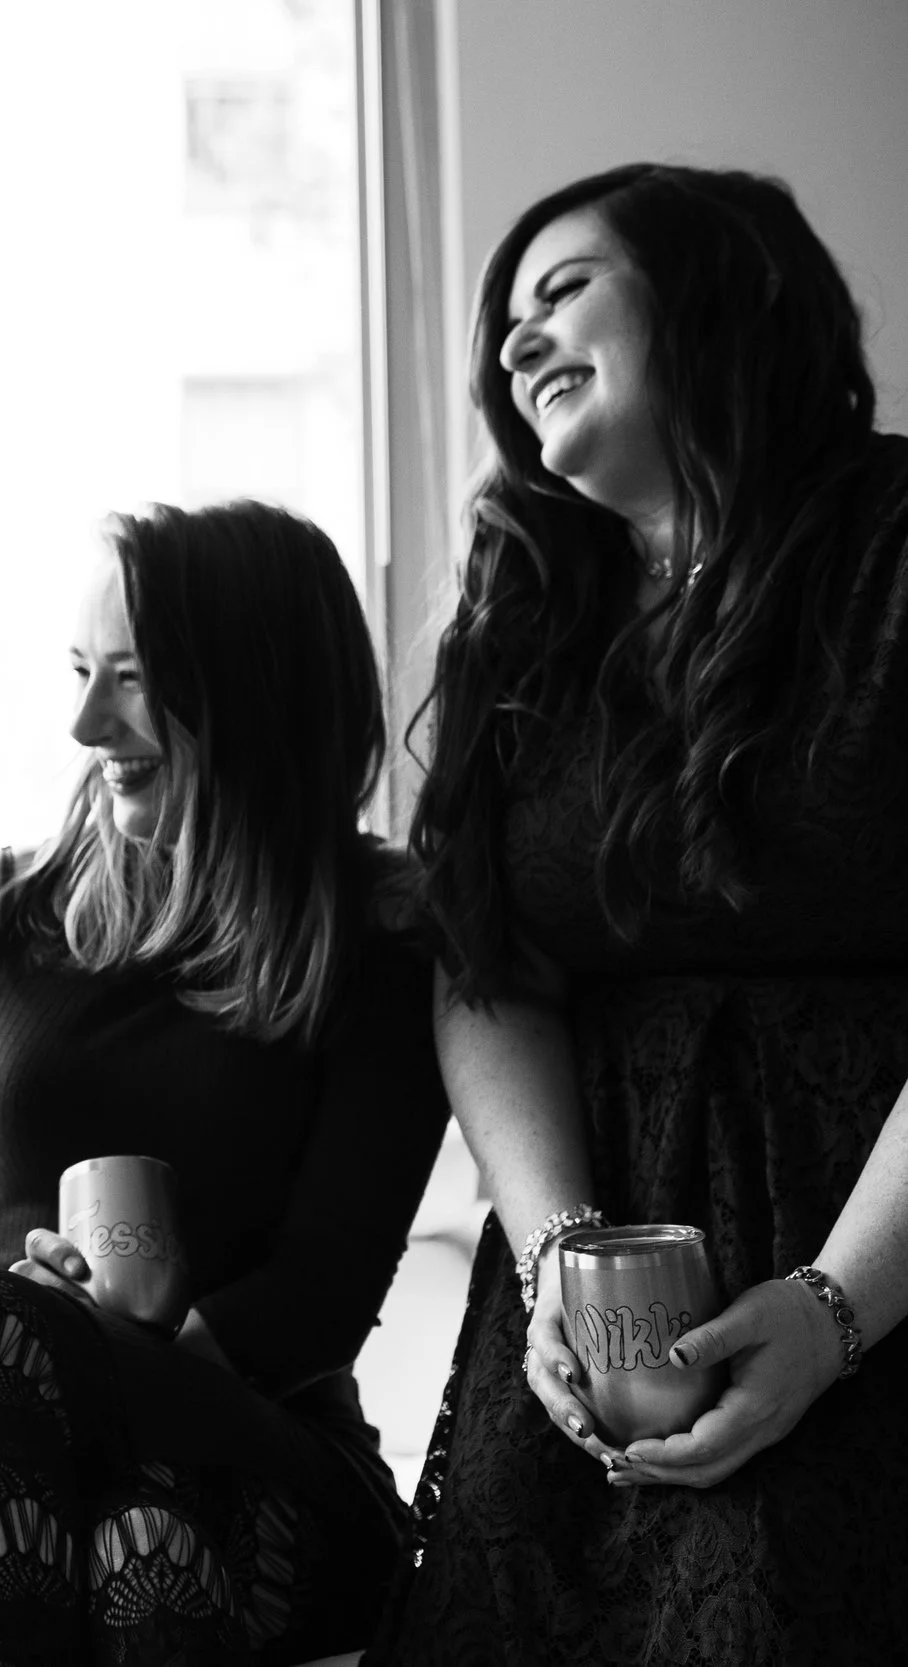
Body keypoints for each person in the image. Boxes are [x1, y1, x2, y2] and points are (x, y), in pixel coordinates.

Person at [373, 164, 908, 1664]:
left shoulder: (897, 541)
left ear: (718, 297)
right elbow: (489, 973)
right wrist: (558, 1266)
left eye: (565, 291)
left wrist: (833, 1310)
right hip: (592, 1303)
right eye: (504, 326)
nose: (517, 344)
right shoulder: (528, 613)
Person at [0, 501, 449, 1665]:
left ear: (252, 688)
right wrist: (0, 1329)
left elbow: (319, 1295)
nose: (86, 722)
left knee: (131, 1530)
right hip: (17, 1447)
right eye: (82, 671)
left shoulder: (386, 933)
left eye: (130, 680)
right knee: (123, 1531)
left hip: (268, 1459)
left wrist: (40, 1348)